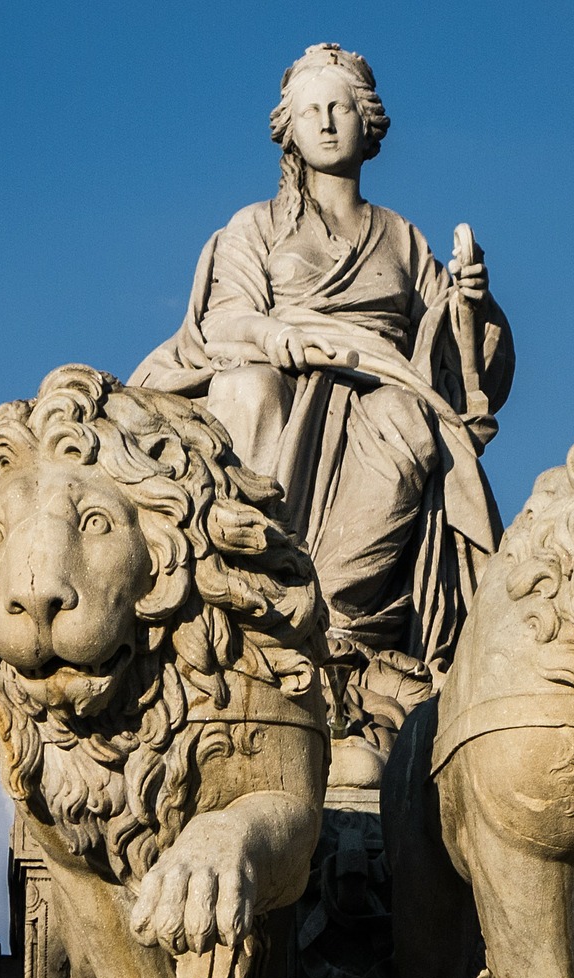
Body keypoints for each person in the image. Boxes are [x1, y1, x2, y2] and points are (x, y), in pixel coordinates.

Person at [131, 43, 514, 681]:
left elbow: (454, 359)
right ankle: (255, 584)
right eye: (312, 111)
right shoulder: (256, 226)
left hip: (384, 384)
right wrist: (278, 337)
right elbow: (222, 320)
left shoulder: (402, 237)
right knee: (248, 390)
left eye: (340, 107)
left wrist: (475, 300)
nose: (328, 122)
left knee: (407, 420)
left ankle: (332, 620)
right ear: (291, 129)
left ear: (368, 124)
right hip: (281, 374)